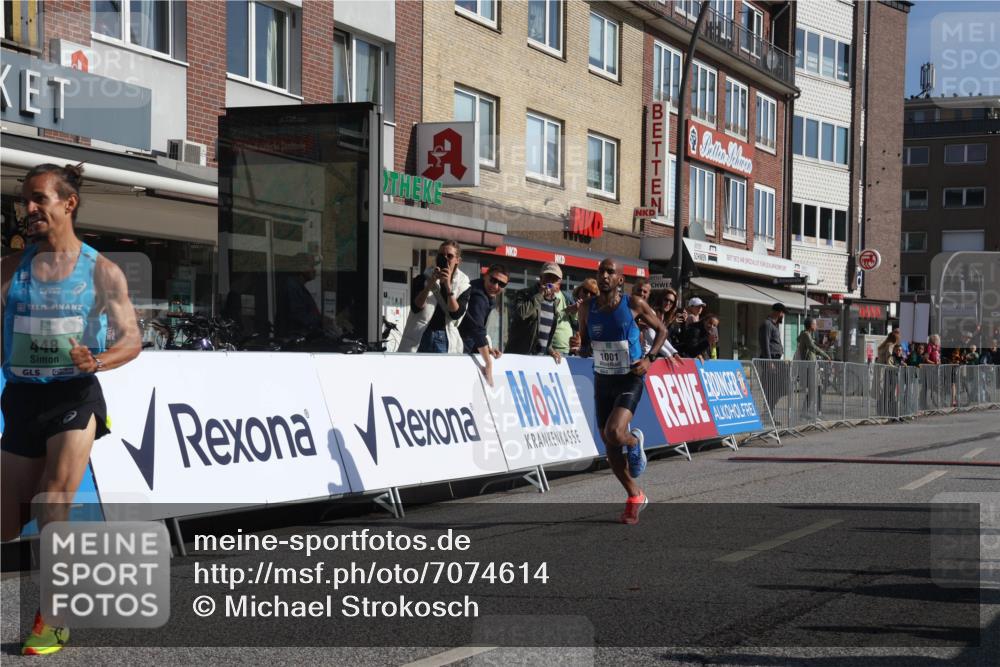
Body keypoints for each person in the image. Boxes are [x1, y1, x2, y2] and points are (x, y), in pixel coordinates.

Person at [1, 164, 142, 655]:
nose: (29, 209)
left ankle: (53, 617)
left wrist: (96, 360)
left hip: (74, 396)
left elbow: (132, 340)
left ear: (69, 203)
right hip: (22, 398)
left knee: (52, 500)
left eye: (39, 198)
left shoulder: (102, 271)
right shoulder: (9, 268)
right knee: (6, 523)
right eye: (25, 200)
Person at [578, 259, 670, 525]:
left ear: (620, 280)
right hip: (603, 379)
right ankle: (635, 495)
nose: (604, 276)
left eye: (611, 272)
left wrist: (650, 359)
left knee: (615, 432)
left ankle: (633, 442)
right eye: (601, 271)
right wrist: (580, 346)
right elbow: (585, 344)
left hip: (630, 377)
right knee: (609, 445)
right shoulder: (586, 307)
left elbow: (662, 330)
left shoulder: (634, 304)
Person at [398, 240, 471, 353]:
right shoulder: (423, 278)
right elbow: (416, 307)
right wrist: (430, 283)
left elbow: (456, 314)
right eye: (441, 255)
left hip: (445, 336)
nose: (445, 258)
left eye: (450, 256)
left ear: (458, 260)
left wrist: (448, 286)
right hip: (420, 334)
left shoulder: (463, 284)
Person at [504, 263, 570, 361]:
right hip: (519, 356)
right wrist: (540, 295)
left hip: (538, 360)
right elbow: (521, 314)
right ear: (540, 278)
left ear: (558, 284)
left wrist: (550, 350)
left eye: (554, 279)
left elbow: (544, 334)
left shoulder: (554, 303)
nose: (549, 281)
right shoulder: (524, 294)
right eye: (547, 277)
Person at [459, 264, 507, 386]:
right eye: (493, 280)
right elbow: (477, 330)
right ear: (485, 276)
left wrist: (487, 349)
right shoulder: (478, 297)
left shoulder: (484, 293)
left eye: (501, 284)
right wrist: (488, 362)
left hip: (465, 344)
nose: (496, 286)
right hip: (459, 347)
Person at [277, 253, 323, 338]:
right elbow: (299, 317)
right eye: (312, 266)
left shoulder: (297, 286)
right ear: (302, 268)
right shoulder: (292, 286)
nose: (314, 270)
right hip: (295, 340)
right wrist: (321, 320)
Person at [757, 303, 787, 417]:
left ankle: (770, 411)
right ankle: (768, 414)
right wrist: (769, 362)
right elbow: (765, 344)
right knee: (770, 389)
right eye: (783, 313)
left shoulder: (775, 325)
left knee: (782, 387)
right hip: (770, 361)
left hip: (777, 361)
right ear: (779, 312)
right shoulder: (767, 324)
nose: (783, 316)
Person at [797, 318, 830, 418]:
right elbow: (812, 347)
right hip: (809, 366)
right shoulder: (806, 335)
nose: (816, 326)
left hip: (812, 365)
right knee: (813, 389)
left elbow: (813, 346)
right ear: (811, 325)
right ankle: (806, 412)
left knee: (817, 388)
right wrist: (825, 355)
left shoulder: (808, 335)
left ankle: (815, 412)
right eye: (815, 324)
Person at [567, 278, 599, 355]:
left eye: (592, 294)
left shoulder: (597, 313)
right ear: (579, 291)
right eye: (585, 291)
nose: (588, 295)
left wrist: (581, 344)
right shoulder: (576, 307)